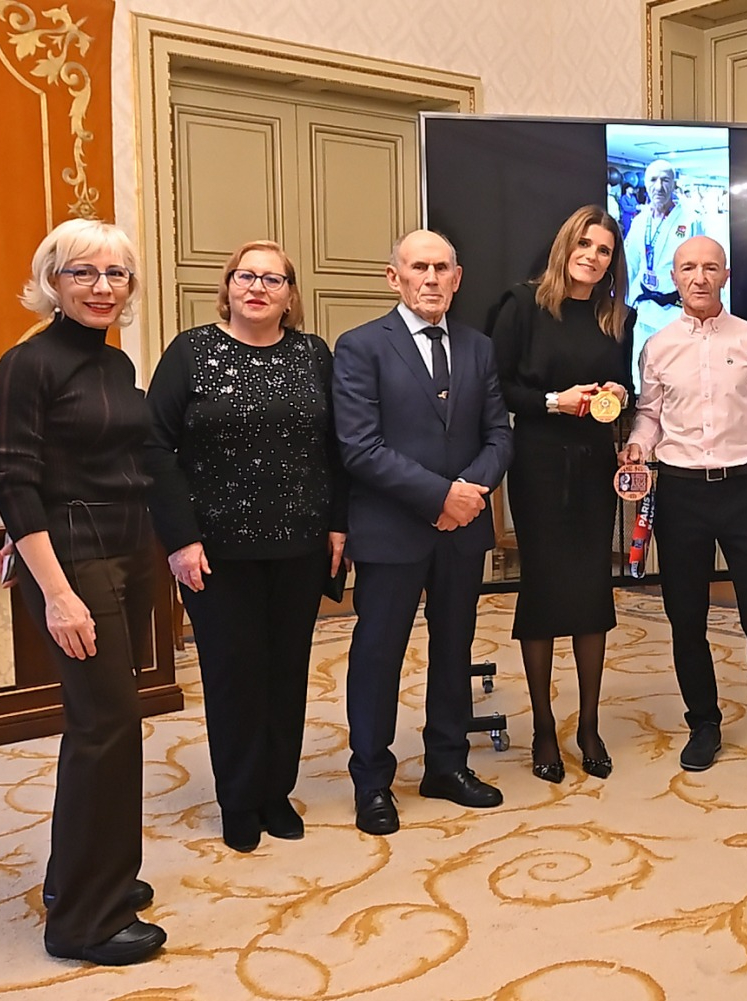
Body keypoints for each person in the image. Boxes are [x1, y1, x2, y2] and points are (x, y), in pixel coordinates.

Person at [0, 218, 165, 965]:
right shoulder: (28, 365)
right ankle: (84, 922)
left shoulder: (115, 365)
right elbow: (12, 479)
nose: (102, 287)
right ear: (51, 282)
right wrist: (54, 589)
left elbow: (91, 459)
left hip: (126, 547)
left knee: (110, 725)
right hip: (73, 561)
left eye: (116, 274)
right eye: (83, 273)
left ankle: (82, 876)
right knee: (107, 726)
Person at [144, 240, 348, 852]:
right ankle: (237, 796)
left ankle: (275, 791)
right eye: (245, 276)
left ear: (290, 296)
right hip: (215, 550)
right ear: (228, 286)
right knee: (233, 674)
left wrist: (338, 525)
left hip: (300, 543)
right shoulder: (191, 351)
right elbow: (155, 450)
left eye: (273, 279)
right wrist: (179, 538)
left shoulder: (315, 355)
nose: (257, 287)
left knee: (286, 672)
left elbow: (338, 446)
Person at [333, 230, 514, 836]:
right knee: (379, 655)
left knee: (453, 648)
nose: (431, 279)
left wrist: (466, 496)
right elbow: (360, 447)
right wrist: (440, 496)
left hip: (461, 532)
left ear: (457, 279)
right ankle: (373, 781)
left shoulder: (479, 347)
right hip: (392, 531)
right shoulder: (359, 348)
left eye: (442, 268)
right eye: (419, 268)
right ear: (395, 278)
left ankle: (446, 765)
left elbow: (499, 437)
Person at [622, 235, 747, 777]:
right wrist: (639, 445)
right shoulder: (656, 347)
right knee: (686, 616)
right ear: (675, 277)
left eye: (710, 268)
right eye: (688, 269)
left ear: (725, 276)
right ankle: (702, 723)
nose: (699, 278)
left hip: (746, 489)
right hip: (680, 492)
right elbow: (650, 416)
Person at [490, 205, 634, 784]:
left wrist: (617, 396)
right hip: (540, 463)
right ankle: (545, 727)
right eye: (584, 244)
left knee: (592, 588)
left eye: (603, 250)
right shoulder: (521, 305)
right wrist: (557, 400)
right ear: (564, 246)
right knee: (546, 590)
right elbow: (497, 387)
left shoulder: (615, 317)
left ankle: (590, 724)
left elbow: (625, 393)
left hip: (596, 463)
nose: (593, 257)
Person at [622, 158, 705, 348]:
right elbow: (630, 265)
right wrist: (619, 302)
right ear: (644, 183)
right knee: (641, 367)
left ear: (674, 184)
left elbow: (703, 267)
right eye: (653, 180)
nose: (659, 187)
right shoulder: (639, 221)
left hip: (676, 311)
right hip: (643, 308)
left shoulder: (691, 220)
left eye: (665, 180)